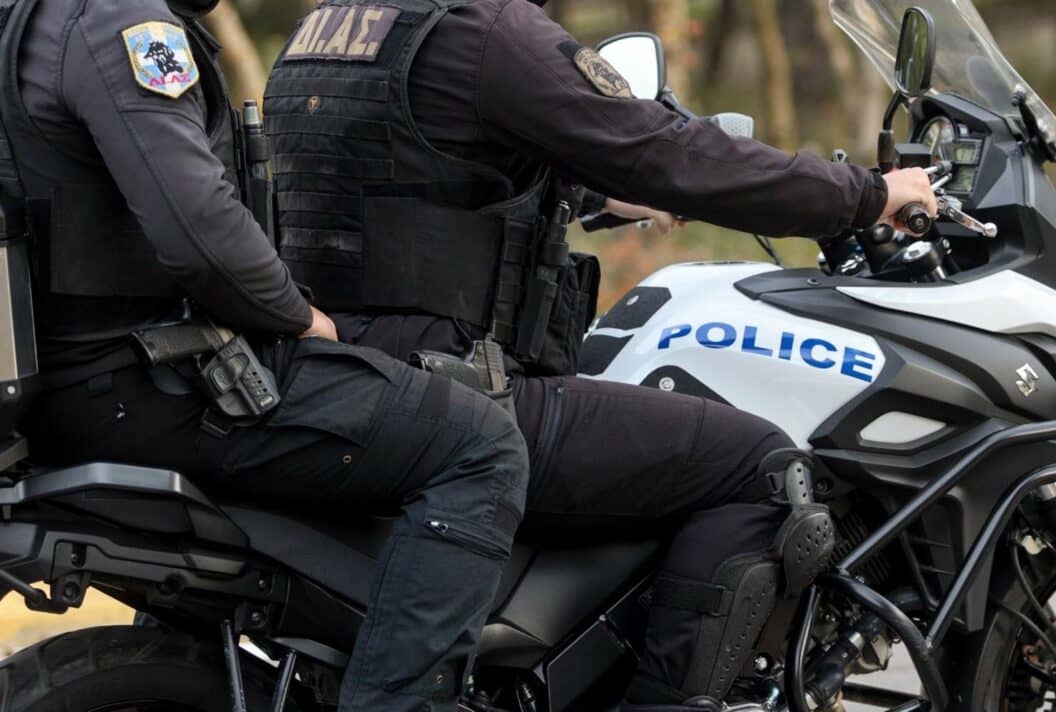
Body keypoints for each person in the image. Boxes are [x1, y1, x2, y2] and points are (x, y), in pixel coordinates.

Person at [264, 1, 939, 709]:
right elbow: (668, 151)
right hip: (456, 394)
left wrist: (601, 198)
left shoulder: (326, 30)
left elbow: (414, 172)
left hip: (339, 380)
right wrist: (867, 194)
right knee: (760, 470)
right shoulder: (487, 33)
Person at [5, 1, 529, 711]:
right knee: (479, 443)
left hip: (68, 383)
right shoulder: (122, 23)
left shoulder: (29, 19)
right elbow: (198, 228)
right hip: (141, 381)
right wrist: (300, 317)